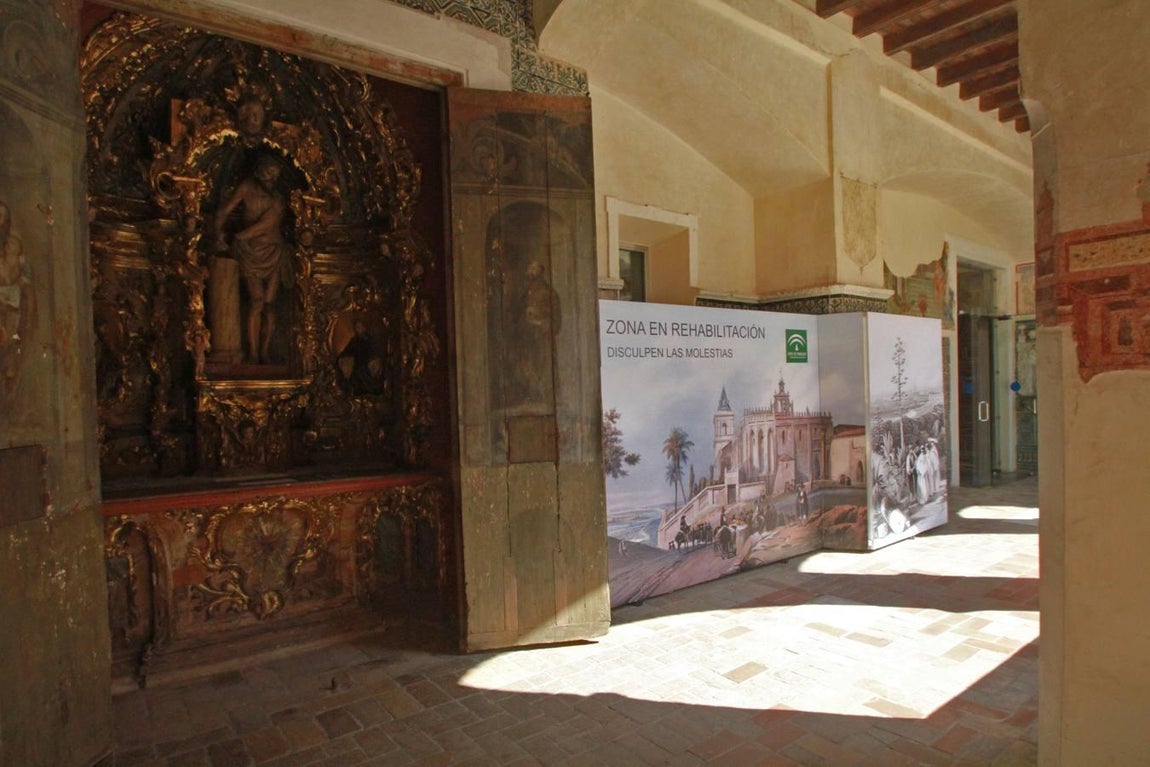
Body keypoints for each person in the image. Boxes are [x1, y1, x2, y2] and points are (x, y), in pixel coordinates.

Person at [214, 155, 288, 364]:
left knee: (269, 306)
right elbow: (223, 211)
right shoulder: (246, 187)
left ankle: (264, 352)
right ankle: (253, 353)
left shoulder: (279, 198)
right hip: (249, 252)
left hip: (274, 250)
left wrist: (240, 235)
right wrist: (218, 234)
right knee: (256, 301)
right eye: (268, 173)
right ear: (259, 171)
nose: (271, 179)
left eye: (275, 175)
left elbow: (269, 223)